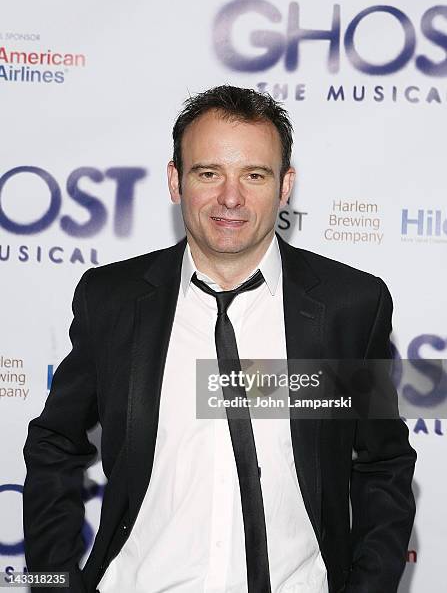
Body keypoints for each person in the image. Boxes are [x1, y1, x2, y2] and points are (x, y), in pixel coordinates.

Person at [23, 85, 416, 593]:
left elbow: (383, 463)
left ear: (285, 185)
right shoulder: (113, 300)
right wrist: (51, 583)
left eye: (254, 175)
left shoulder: (348, 306)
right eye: (209, 173)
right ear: (175, 179)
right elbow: (55, 442)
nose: (230, 198)